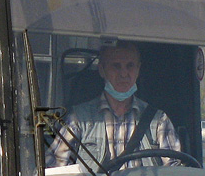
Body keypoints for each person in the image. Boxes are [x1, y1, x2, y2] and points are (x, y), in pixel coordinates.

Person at [47, 42, 180, 169]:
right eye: (116, 66)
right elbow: (54, 173)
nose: (123, 74)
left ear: (138, 69)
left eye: (130, 66)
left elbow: (175, 173)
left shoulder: (159, 120)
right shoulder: (79, 119)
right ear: (102, 70)